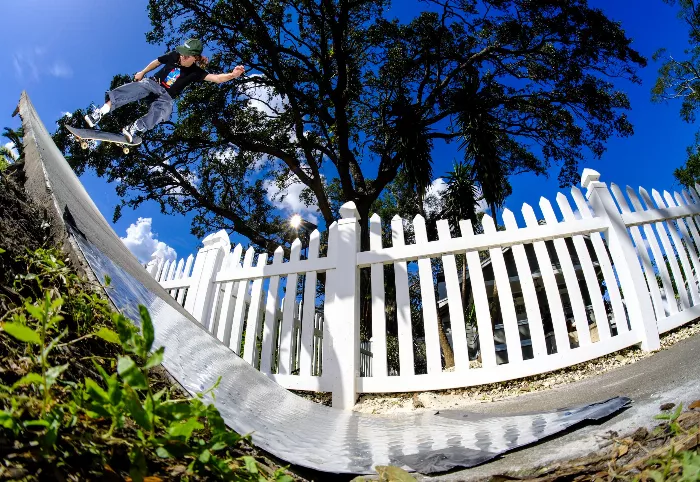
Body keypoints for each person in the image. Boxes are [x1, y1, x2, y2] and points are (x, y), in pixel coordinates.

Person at [84, 38, 245, 142]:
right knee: (135, 88)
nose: (182, 57)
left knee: (165, 109)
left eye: (186, 56)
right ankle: (100, 112)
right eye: (182, 53)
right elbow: (157, 62)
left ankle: (134, 128)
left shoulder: (197, 72)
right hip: (153, 83)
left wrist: (233, 74)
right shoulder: (174, 55)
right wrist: (142, 72)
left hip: (166, 96)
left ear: (195, 58)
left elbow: (216, 79)